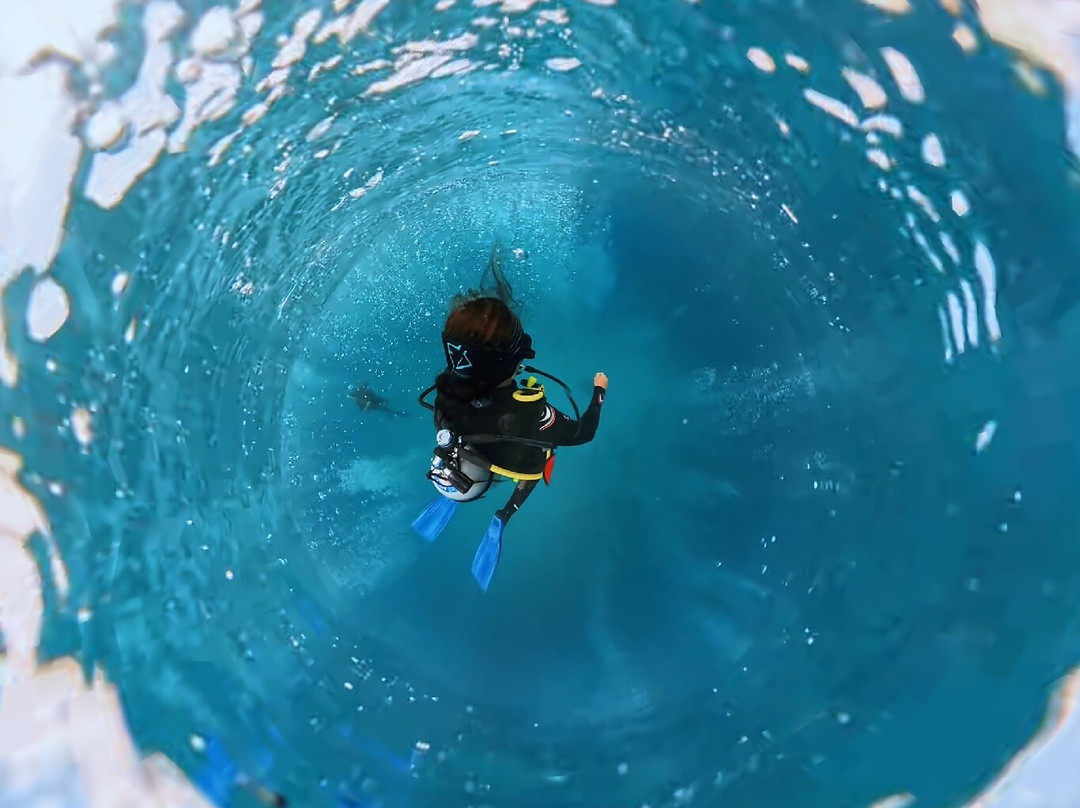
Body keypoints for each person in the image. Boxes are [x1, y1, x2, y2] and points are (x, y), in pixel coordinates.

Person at [412, 293, 608, 590]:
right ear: (507, 364)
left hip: (465, 452)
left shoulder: (444, 394)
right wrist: (598, 392)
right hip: (512, 462)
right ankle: (504, 515)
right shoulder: (528, 409)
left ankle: (453, 487)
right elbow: (584, 433)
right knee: (535, 466)